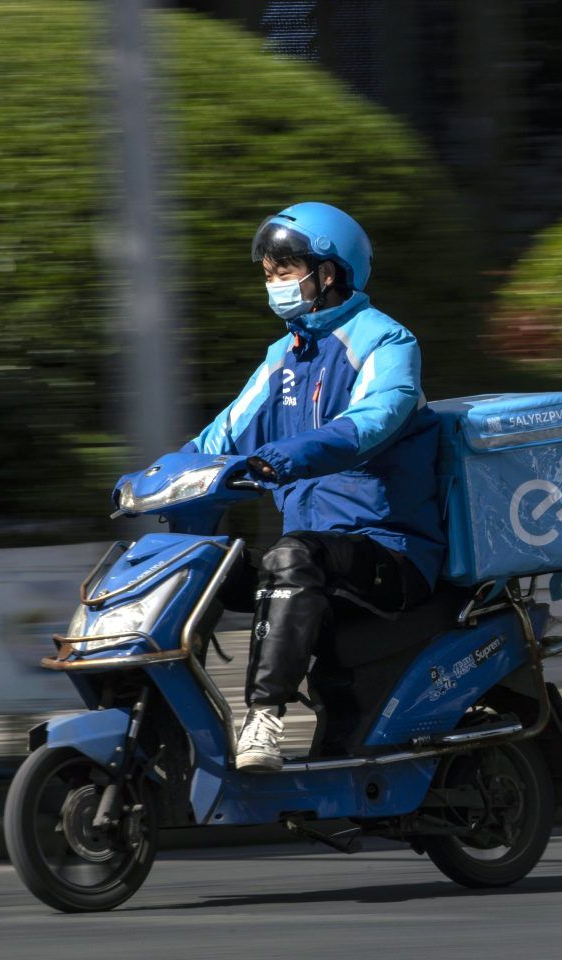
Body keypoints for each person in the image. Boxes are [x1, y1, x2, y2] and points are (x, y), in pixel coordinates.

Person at [180, 201, 445, 772]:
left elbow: (376, 419)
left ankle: (264, 721)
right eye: (268, 275)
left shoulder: (386, 342)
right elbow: (222, 434)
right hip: (315, 556)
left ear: (327, 273)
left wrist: (287, 456)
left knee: (291, 555)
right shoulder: (284, 356)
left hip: (391, 551)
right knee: (205, 564)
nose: (273, 285)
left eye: (283, 273)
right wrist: (155, 479)